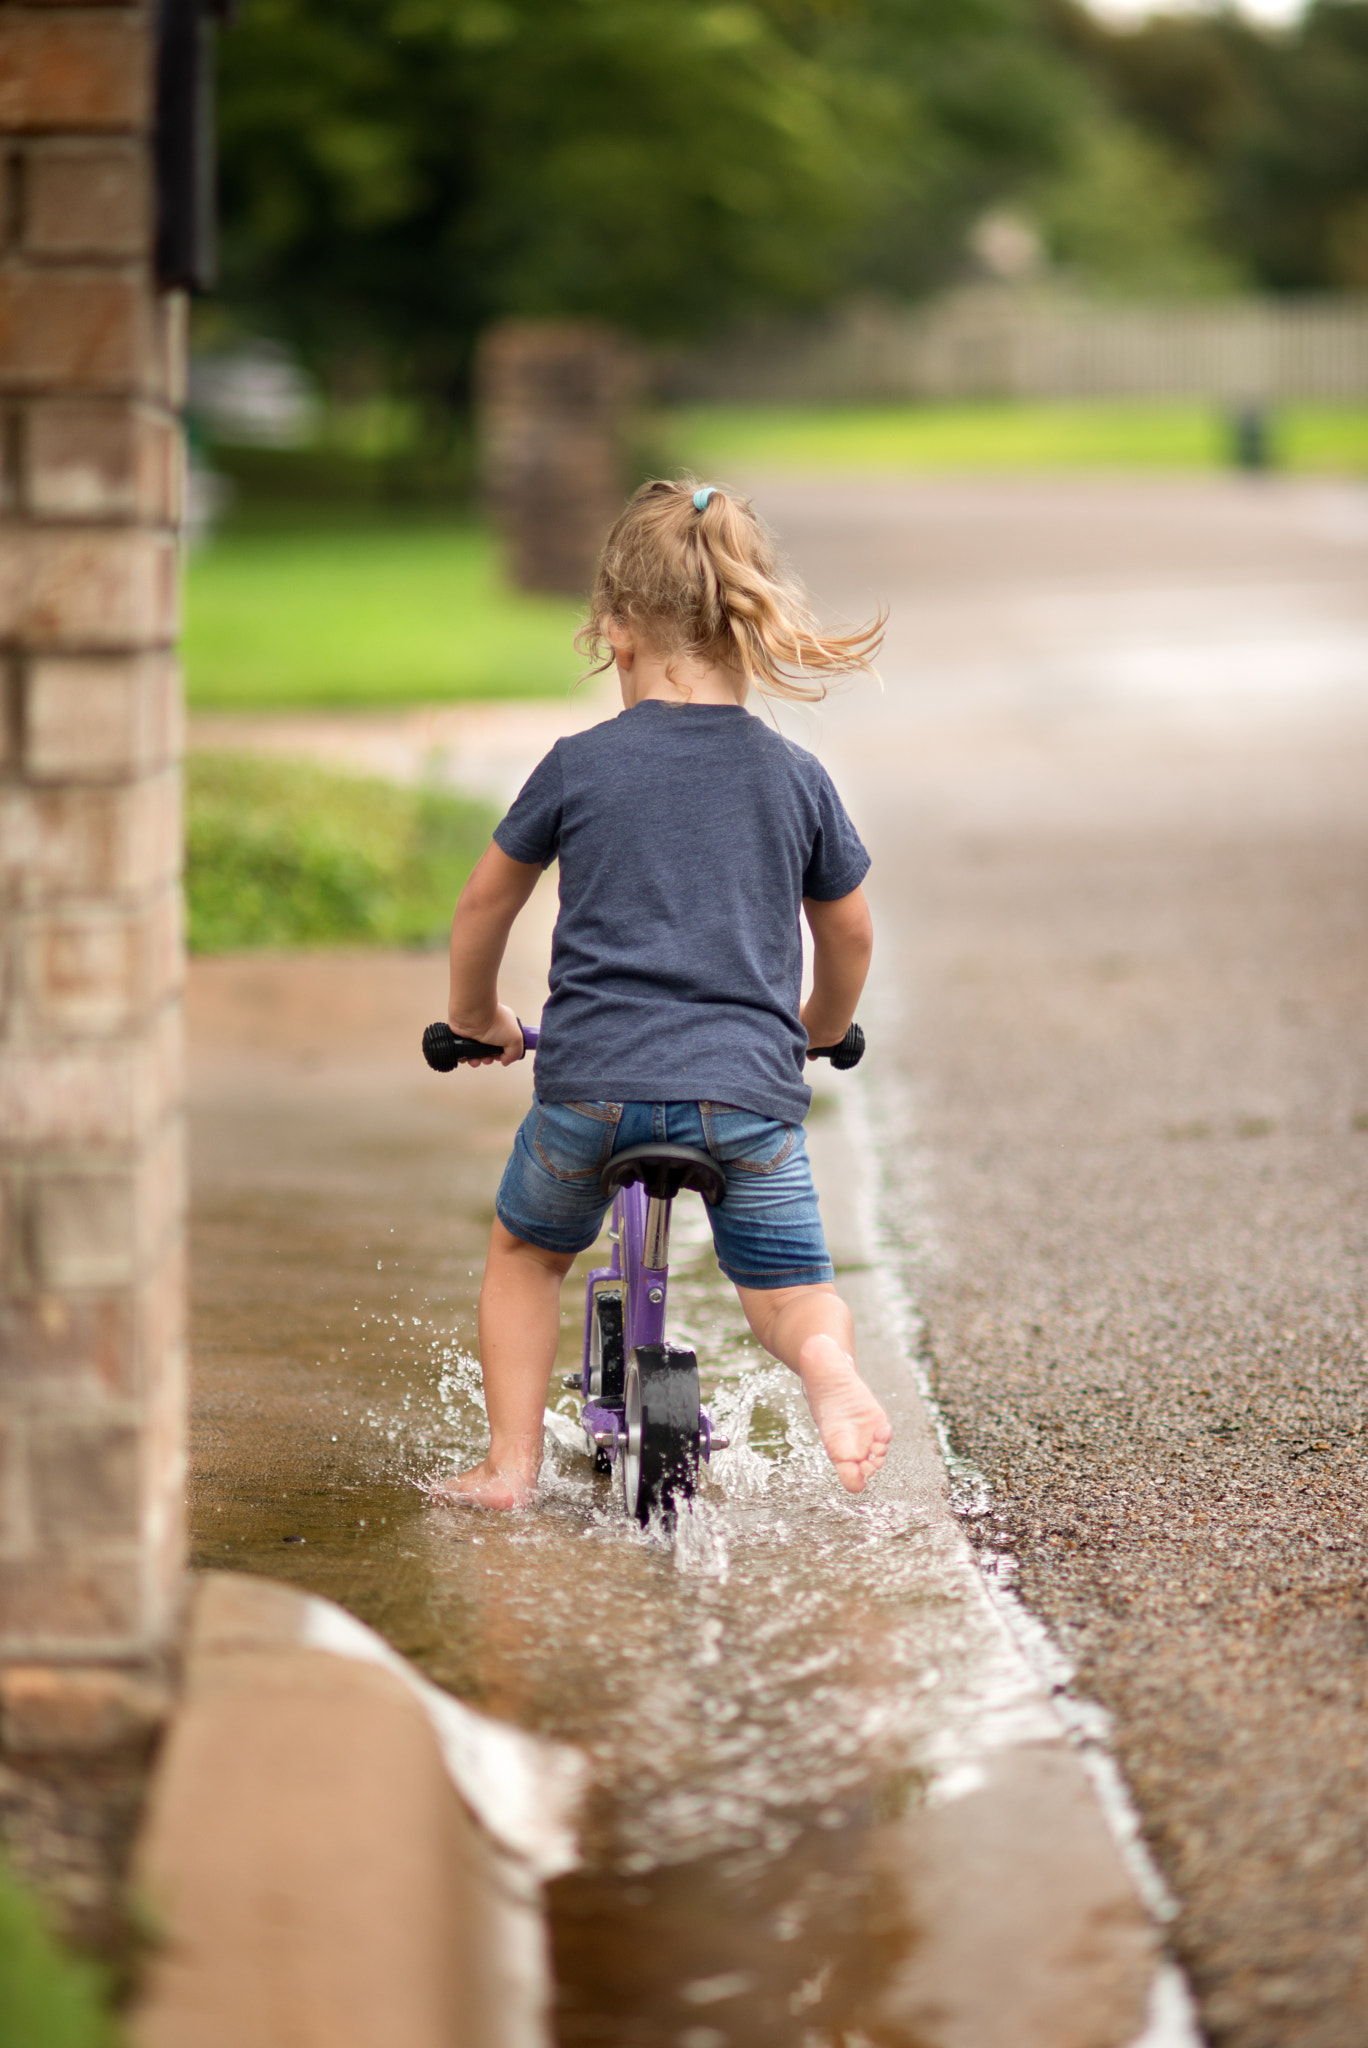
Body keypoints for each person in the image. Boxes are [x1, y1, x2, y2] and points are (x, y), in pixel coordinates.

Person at [437, 479, 892, 1509]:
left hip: (589, 1089)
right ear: (743, 626)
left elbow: (483, 906)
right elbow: (850, 928)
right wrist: (817, 1029)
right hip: (747, 1097)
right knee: (787, 1293)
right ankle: (827, 1369)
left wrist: (478, 1019)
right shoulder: (795, 776)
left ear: (619, 636)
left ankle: (508, 1466)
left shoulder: (578, 764)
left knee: (526, 1250)